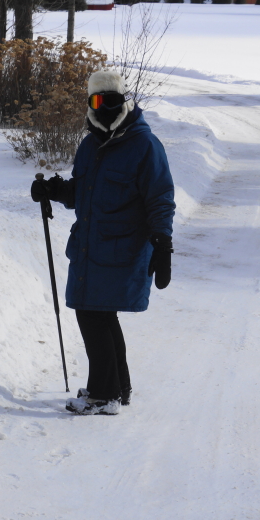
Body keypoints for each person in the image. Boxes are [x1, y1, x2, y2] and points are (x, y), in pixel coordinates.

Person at [31, 70, 175, 415]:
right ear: (90, 103)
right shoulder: (90, 145)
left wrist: (163, 244)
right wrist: (54, 190)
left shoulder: (144, 145)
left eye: (112, 100)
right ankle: (118, 388)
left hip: (123, 250)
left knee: (93, 316)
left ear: (124, 101)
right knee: (101, 316)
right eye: (98, 101)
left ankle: (103, 394)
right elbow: (83, 193)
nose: (105, 107)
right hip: (89, 248)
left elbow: (160, 199)